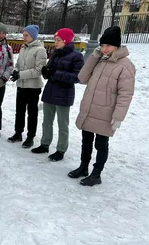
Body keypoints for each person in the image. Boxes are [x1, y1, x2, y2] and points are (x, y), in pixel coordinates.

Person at [69, 26, 135, 186]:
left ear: (117, 46)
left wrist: (118, 116)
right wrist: (94, 56)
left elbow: (125, 94)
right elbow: (82, 77)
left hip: (106, 113)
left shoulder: (125, 65)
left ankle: (96, 174)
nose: (105, 49)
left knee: (101, 144)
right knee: (86, 141)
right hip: (90, 108)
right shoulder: (99, 59)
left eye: (108, 46)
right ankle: (83, 167)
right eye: (103, 45)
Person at [31, 28, 84, 161]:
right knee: (46, 122)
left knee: (62, 124)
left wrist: (55, 73)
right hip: (50, 91)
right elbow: (51, 70)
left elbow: (78, 77)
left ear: (66, 40)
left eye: (58, 40)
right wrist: (46, 71)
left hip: (64, 94)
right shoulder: (56, 53)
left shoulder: (77, 56)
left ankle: (61, 150)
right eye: (55, 40)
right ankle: (45, 144)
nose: (56, 42)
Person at [7, 25, 47, 148]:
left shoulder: (40, 50)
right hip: (21, 85)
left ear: (33, 36)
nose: (23, 37)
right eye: (23, 35)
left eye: (26, 35)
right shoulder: (23, 48)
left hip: (33, 87)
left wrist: (20, 74)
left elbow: (38, 70)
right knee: (19, 111)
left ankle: (30, 137)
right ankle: (18, 133)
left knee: (32, 112)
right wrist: (15, 72)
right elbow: (18, 64)